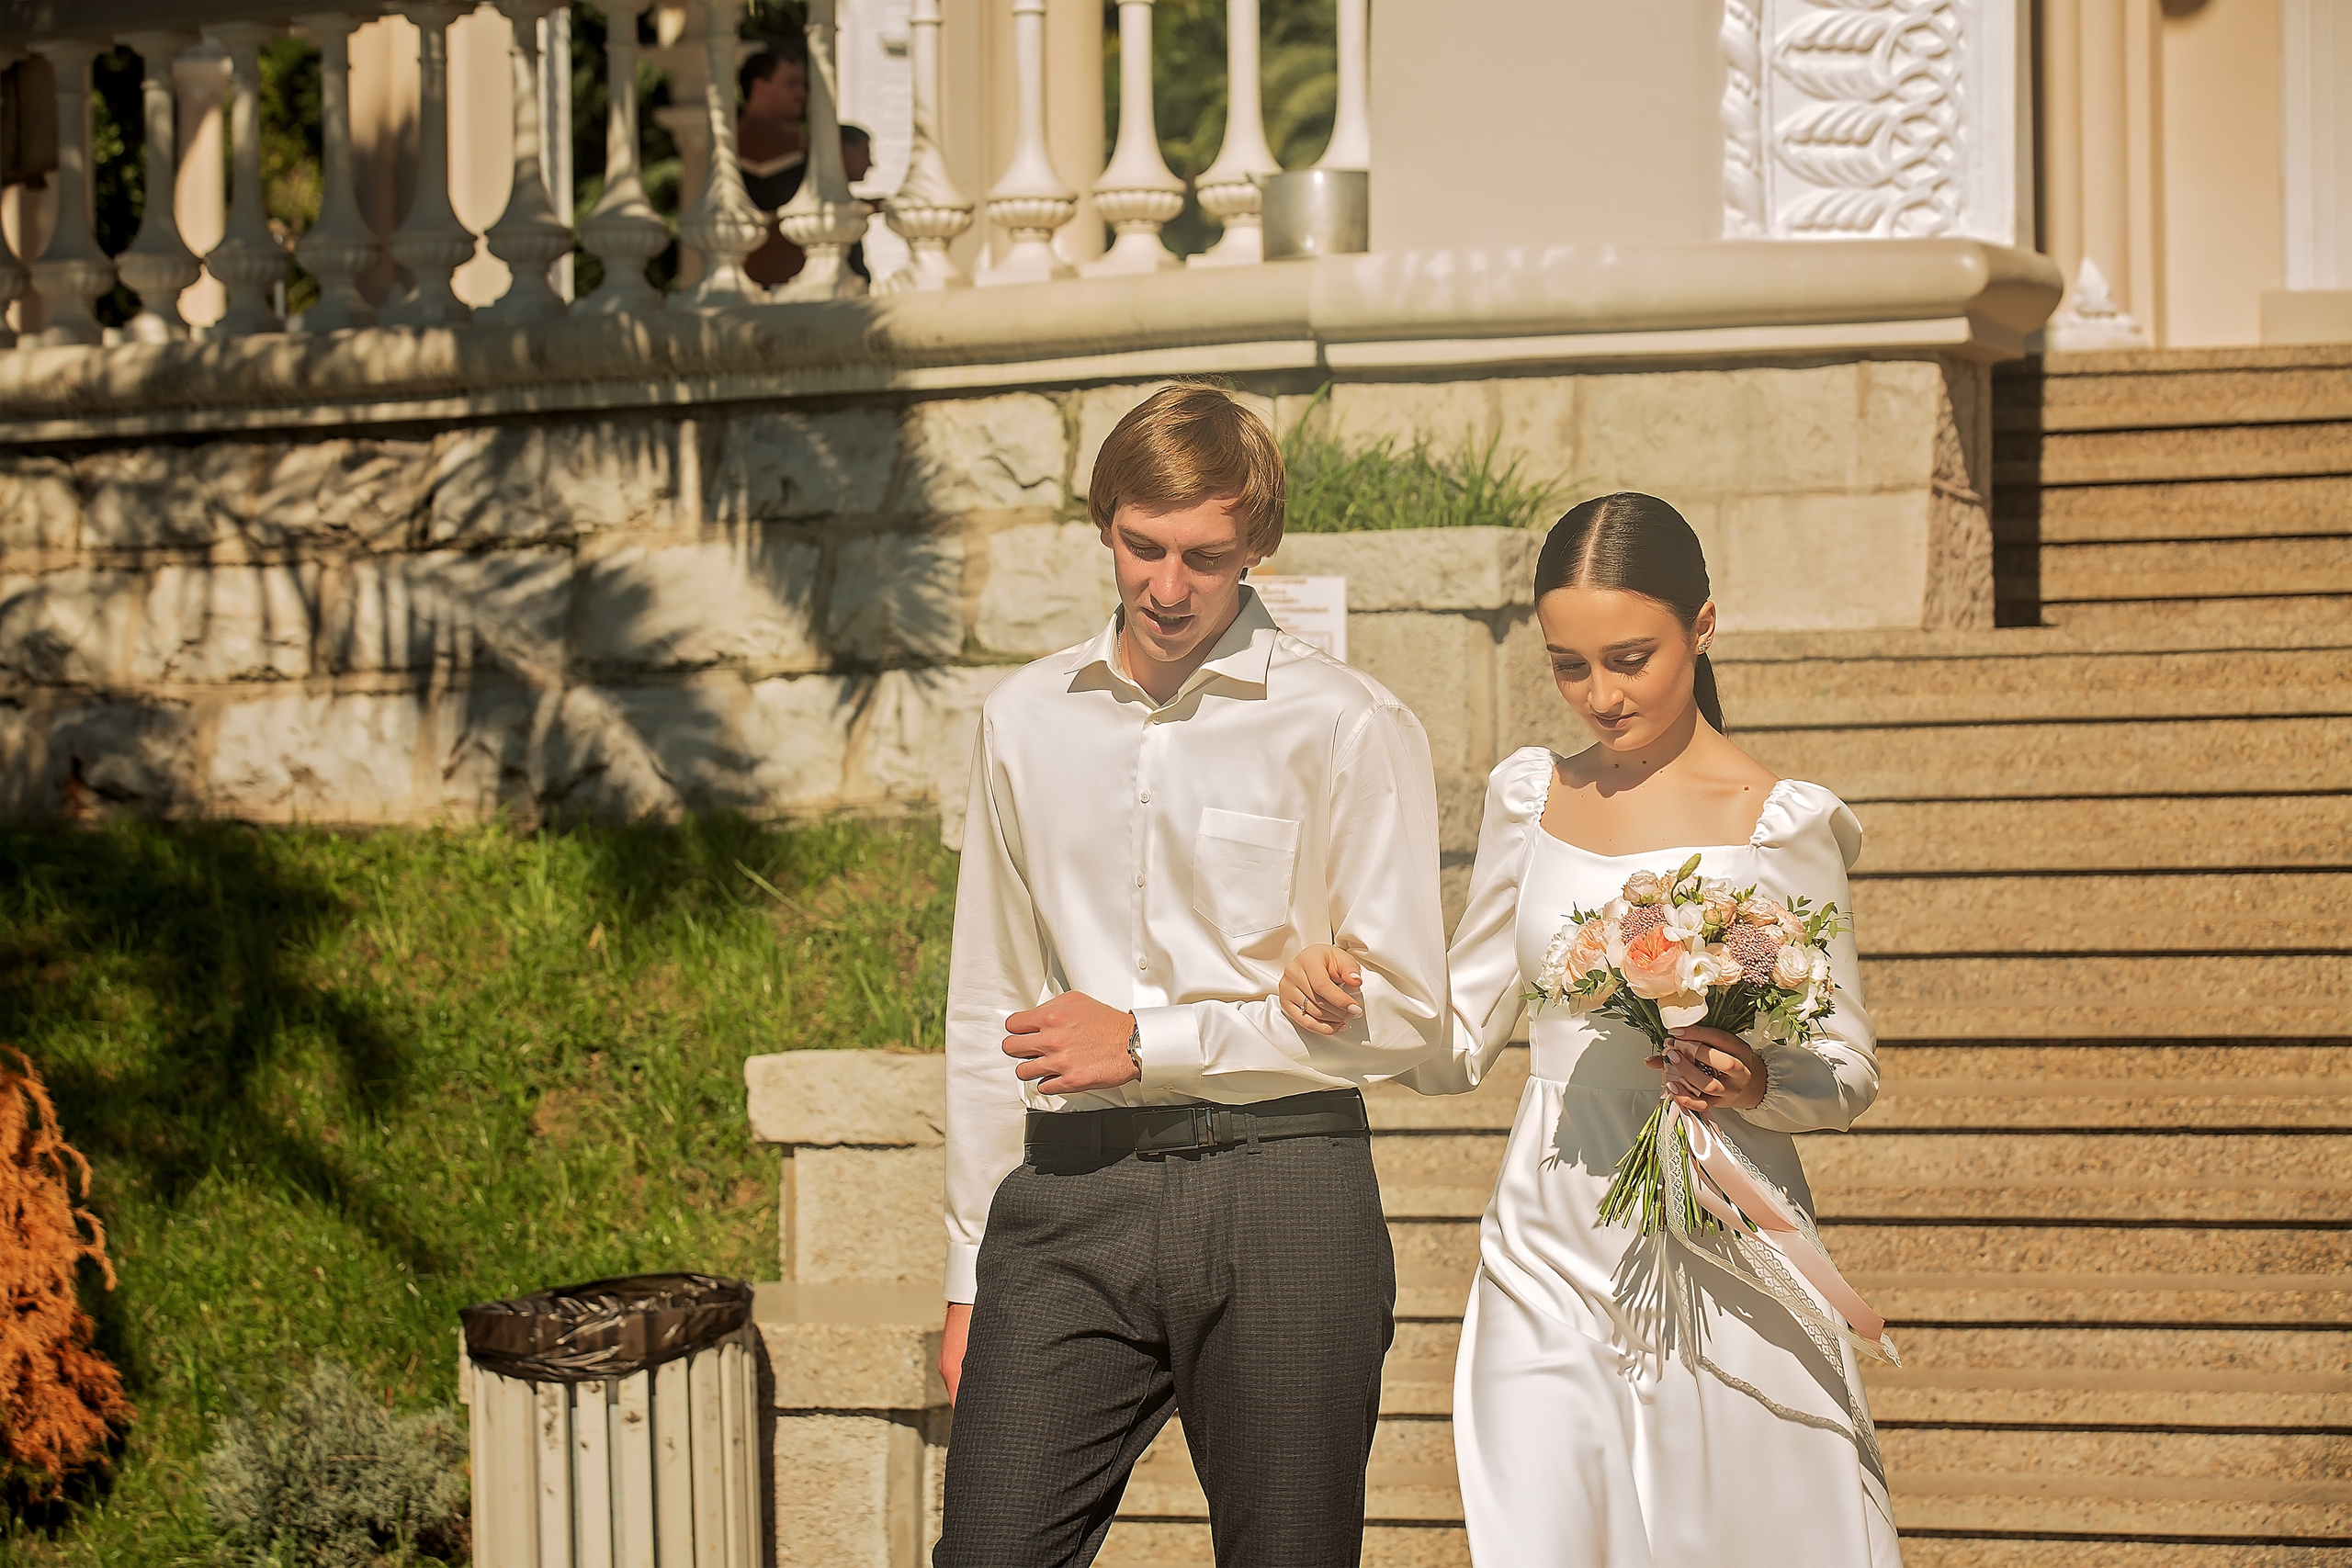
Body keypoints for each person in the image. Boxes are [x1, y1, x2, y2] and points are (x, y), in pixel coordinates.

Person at [1281, 493, 1902, 1566]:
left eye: (1629, 659)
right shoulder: (1529, 799)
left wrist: (1757, 1079)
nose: (1600, 696)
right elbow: (1458, 1036)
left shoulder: (1780, 824)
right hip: (1547, 1238)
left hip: (1723, 1239)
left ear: (1701, 628)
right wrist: (1346, 1004)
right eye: (1569, 666)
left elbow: (1846, 1069)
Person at [934, 384, 1452, 1568]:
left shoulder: (1346, 721)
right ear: (1103, 525)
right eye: (1142, 547)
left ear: (1257, 544)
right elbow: (987, 1004)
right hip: (1066, 1197)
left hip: (1284, 1186)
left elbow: (1410, 1015)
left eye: (1205, 558)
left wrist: (1149, 1038)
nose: (1168, 587)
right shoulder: (1023, 719)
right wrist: (967, 1270)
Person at [738, 45, 807, 286]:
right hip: (770, 285)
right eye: (791, 84)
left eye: (803, 85)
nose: (802, 94)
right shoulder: (750, 139)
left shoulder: (792, 138)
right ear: (759, 88)